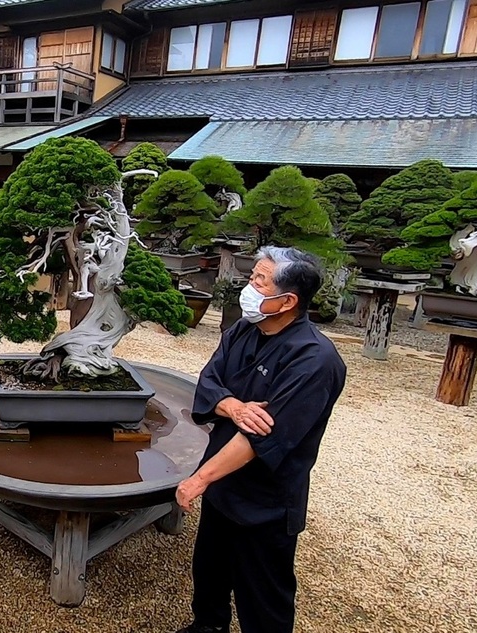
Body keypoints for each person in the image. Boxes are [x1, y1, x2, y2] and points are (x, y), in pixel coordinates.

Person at [174, 246, 347, 633]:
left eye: (259, 281)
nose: (248, 286)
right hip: (223, 483)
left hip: (265, 499)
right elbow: (209, 381)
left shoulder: (314, 360)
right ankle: (209, 626)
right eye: (252, 276)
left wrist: (198, 478)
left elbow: (262, 438)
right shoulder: (243, 330)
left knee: (263, 595)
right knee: (210, 572)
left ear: (287, 301)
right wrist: (234, 407)